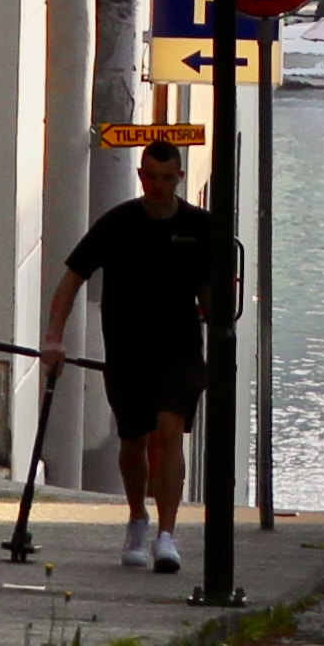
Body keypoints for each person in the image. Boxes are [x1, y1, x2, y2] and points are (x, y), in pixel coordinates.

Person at [44, 140, 216, 572]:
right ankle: (138, 517)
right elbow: (72, 279)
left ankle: (168, 534)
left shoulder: (200, 227)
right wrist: (53, 338)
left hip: (179, 350)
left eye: (166, 178)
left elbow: (211, 297)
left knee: (169, 432)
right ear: (141, 177)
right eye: (150, 177)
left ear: (179, 178)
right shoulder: (118, 223)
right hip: (127, 348)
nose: (158, 186)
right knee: (133, 437)